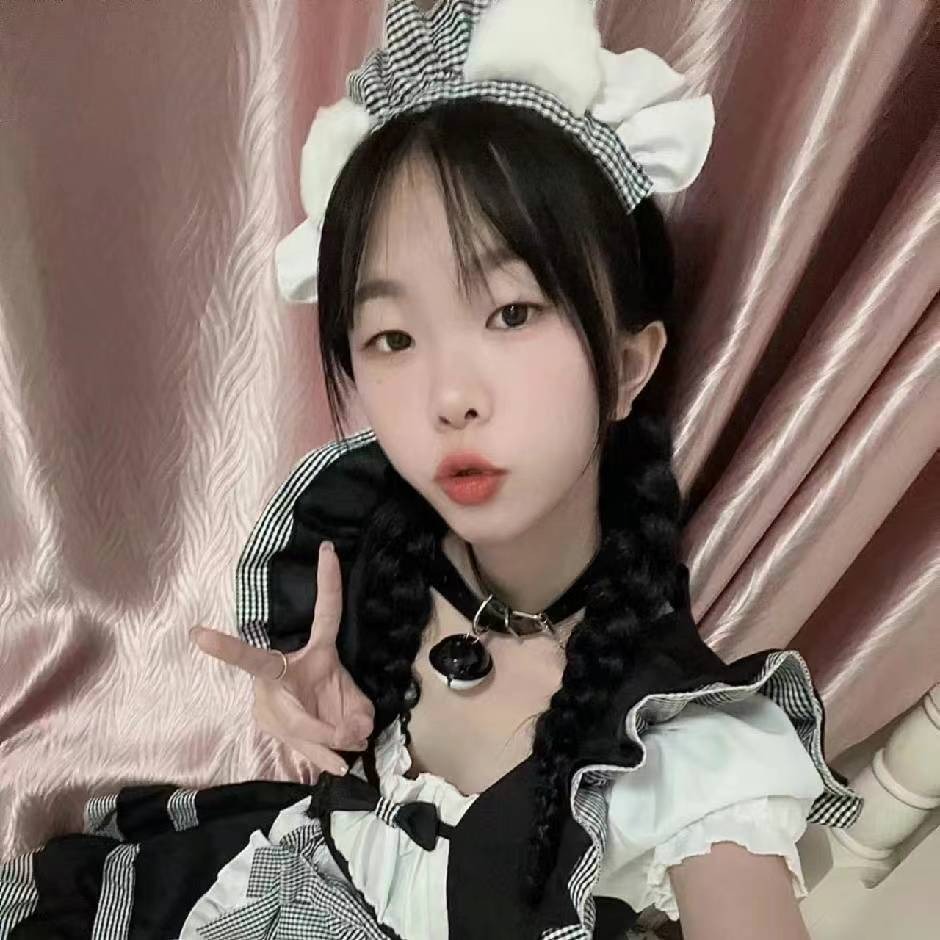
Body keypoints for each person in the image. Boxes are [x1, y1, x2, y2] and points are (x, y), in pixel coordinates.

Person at [0, 2, 863, 938]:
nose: (449, 396)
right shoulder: (369, 556)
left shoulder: (686, 746)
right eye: (393, 337)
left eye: (511, 313)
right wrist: (322, 724)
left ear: (626, 367)